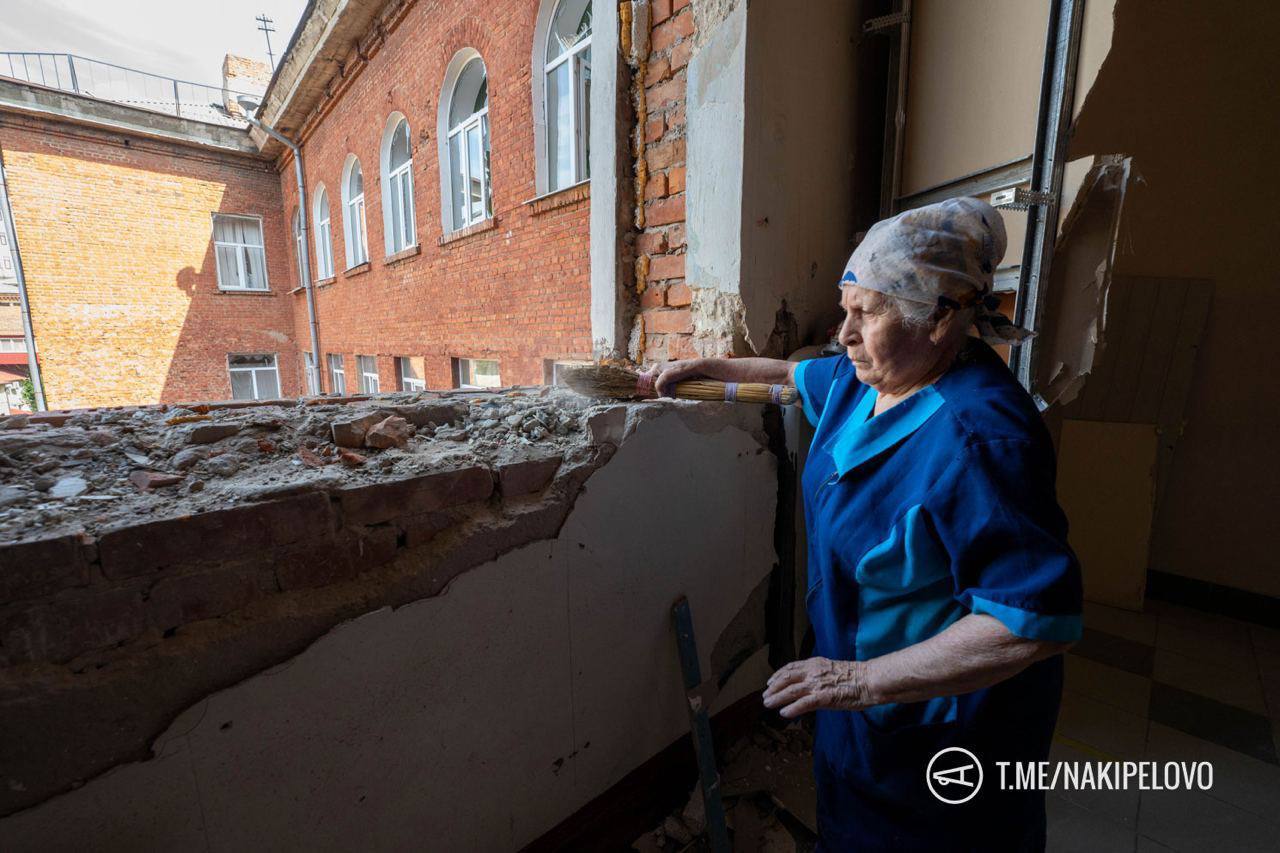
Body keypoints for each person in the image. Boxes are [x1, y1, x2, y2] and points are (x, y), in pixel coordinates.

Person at [647, 197, 1083, 851]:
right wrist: (713, 369)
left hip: (944, 731)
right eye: (845, 307)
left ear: (938, 317)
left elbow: (1030, 623)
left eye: (866, 313)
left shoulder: (981, 438)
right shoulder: (868, 376)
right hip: (862, 718)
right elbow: (797, 377)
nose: (844, 334)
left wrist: (860, 679)